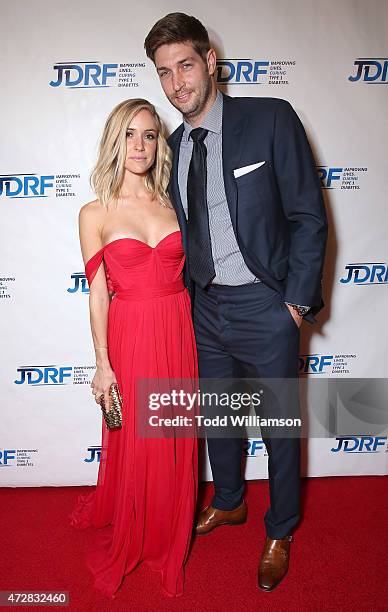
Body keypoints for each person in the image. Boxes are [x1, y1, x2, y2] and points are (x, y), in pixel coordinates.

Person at [144, 13, 328, 592]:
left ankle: (280, 526)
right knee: (219, 422)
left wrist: (294, 305)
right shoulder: (173, 148)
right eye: (165, 73)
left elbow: (307, 216)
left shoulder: (270, 119)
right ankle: (229, 500)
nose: (177, 84)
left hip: (264, 304)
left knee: (277, 424)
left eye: (186, 66)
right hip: (205, 307)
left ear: (211, 63)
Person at [69, 98, 198, 599]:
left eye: (149, 135)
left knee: (173, 434)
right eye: (130, 134)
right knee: (139, 437)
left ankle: (169, 531)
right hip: (129, 332)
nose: (140, 145)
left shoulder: (174, 204)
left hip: (176, 327)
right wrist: (102, 364)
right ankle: (135, 528)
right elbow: (98, 291)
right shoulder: (93, 212)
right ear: (114, 140)